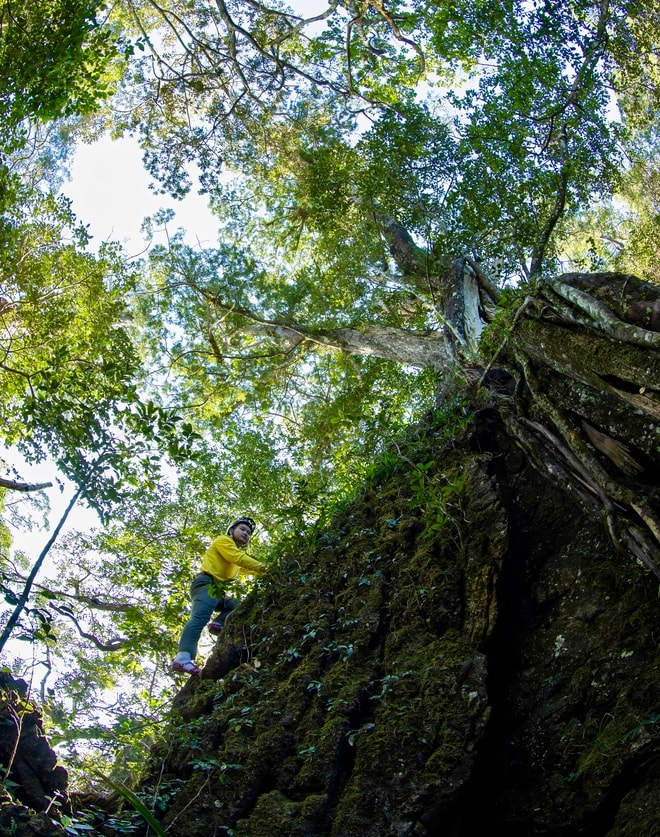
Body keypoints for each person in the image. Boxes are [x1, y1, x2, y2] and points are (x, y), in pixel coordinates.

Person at [171, 517, 263, 675]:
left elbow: (247, 567)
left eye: (248, 533)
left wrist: (270, 571)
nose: (246, 534)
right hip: (205, 583)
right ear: (231, 530)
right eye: (242, 529)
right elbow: (238, 558)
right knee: (200, 617)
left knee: (239, 607)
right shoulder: (224, 541)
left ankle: (218, 624)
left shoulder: (234, 555)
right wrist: (266, 568)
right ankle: (182, 658)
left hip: (218, 590)